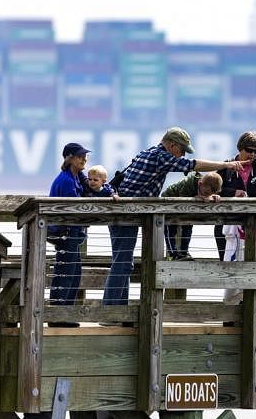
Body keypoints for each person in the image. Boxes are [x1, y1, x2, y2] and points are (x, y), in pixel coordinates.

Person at [102, 127, 244, 312]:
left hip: (124, 214)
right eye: (181, 149)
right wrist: (225, 165)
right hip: (125, 214)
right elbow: (193, 165)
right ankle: (110, 312)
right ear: (171, 145)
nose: (182, 154)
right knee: (122, 263)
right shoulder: (161, 156)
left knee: (123, 262)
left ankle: (118, 310)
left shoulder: (148, 152)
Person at [47, 142, 92, 327]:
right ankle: (58, 316)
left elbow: (89, 189)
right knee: (65, 273)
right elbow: (74, 208)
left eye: (85, 156)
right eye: (80, 156)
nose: (84, 159)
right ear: (70, 158)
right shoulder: (66, 180)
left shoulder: (76, 176)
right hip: (66, 233)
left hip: (73, 234)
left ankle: (65, 314)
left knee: (74, 273)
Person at [214, 131, 256, 260]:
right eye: (249, 150)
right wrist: (232, 193)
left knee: (252, 264)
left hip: (254, 224)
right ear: (240, 148)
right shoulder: (226, 166)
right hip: (226, 223)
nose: (252, 155)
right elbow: (214, 190)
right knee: (225, 263)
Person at [161, 171, 222, 260]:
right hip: (170, 203)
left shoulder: (206, 188)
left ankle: (183, 252)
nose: (206, 196)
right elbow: (182, 196)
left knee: (188, 226)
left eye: (210, 194)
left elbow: (208, 194)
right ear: (200, 184)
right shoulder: (188, 184)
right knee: (170, 228)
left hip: (187, 210)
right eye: (205, 193)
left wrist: (214, 196)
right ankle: (172, 253)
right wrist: (195, 197)